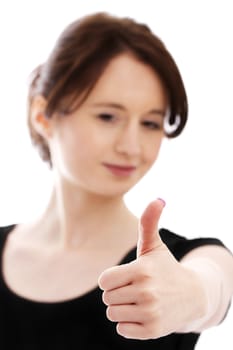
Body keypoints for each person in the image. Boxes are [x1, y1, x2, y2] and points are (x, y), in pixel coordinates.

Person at [0, 12, 232, 349]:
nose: (132, 147)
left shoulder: (178, 262)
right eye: (108, 116)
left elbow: (213, 284)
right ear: (43, 117)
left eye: (151, 124)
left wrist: (192, 296)